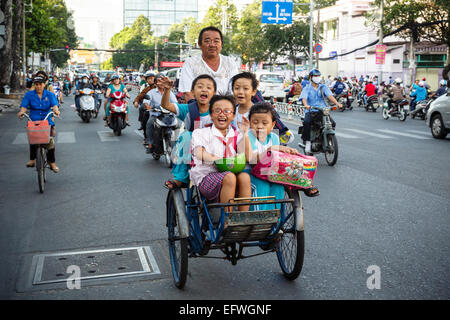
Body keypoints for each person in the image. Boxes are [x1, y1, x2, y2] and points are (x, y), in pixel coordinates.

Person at [242, 103, 319, 205]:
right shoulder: (248, 136)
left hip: (270, 172)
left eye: (265, 123)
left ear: (273, 124)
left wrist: (289, 152)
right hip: (251, 172)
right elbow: (251, 159)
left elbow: (278, 159)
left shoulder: (273, 137)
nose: (260, 126)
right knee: (262, 185)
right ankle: (258, 216)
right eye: (255, 122)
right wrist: (271, 149)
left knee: (279, 185)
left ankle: (274, 216)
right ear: (250, 123)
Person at [190, 94, 251, 211]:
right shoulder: (200, 133)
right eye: (217, 110)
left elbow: (246, 156)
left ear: (233, 115)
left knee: (245, 177)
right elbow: (199, 153)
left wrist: (245, 133)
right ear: (211, 115)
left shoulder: (236, 134)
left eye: (227, 111)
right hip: (206, 176)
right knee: (230, 177)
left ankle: (243, 218)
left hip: (230, 173)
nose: (222, 114)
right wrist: (218, 159)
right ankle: (227, 221)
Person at [159, 74, 217, 190]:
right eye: (200, 87)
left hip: (214, 146)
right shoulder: (188, 109)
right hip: (192, 147)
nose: (204, 90)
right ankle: (181, 178)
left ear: (214, 93)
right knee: (186, 136)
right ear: (193, 92)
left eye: (208, 88)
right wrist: (167, 90)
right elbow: (166, 105)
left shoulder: (218, 109)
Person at [178, 26, 240, 102]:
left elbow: (235, 91)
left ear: (221, 44)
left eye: (216, 41)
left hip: (225, 110)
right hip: (199, 110)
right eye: (207, 41)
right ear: (200, 44)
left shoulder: (230, 62)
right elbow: (188, 93)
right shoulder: (190, 63)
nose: (212, 45)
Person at [17, 75, 61, 173]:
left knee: (50, 143)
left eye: (40, 84)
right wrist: (21, 112)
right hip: (34, 121)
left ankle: (52, 162)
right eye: (36, 84)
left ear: (44, 84)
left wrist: (56, 111)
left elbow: (54, 105)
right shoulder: (29, 95)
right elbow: (24, 106)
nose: (38, 86)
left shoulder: (50, 94)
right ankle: (32, 160)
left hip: (47, 121)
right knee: (33, 139)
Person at [300, 69, 342, 154]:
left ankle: (327, 138)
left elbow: (330, 96)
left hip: (322, 110)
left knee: (332, 123)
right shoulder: (307, 88)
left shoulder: (323, 87)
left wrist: (337, 103)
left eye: (318, 76)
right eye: (315, 76)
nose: (317, 78)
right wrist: (306, 105)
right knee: (307, 122)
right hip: (311, 110)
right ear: (311, 77)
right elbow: (304, 98)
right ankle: (308, 142)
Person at [142, 74, 178, 153]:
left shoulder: (169, 92)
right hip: (156, 115)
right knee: (149, 123)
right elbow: (146, 103)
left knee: (178, 125)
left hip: (168, 115)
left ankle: (178, 144)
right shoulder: (151, 92)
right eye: (158, 81)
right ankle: (150, 143)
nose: (161, 83)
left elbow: (175, 103)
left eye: (162, 81)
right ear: (155, 83)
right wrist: (148, 107)